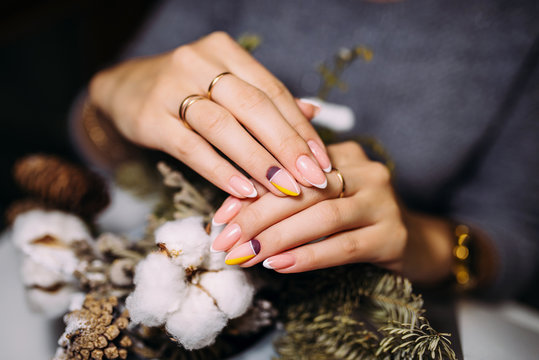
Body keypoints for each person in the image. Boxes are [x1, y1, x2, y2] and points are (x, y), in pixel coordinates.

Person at [74, 0, 539, 299]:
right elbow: (87, 133)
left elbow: (517, 237)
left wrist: (423, 240)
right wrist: (112, 93)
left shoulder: (521, 26)